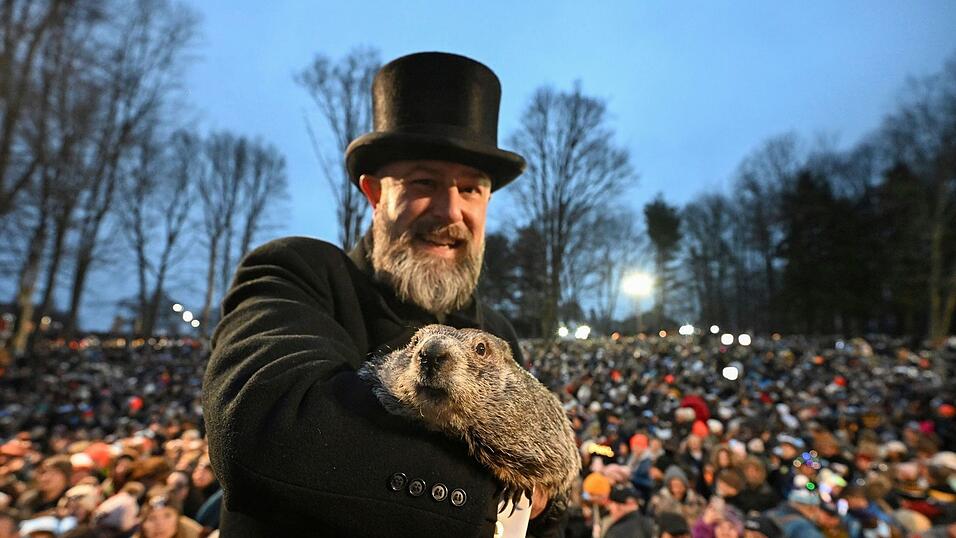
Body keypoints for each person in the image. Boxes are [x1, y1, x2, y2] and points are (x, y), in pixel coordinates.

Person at [202, 51, 562, 537]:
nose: (450, 211)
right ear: (374, 193)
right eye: (424, 182)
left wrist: (549, 498)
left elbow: (542, 484)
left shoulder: (495, 333)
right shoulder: (297, 273)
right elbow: (264, 427)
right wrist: (490, 503)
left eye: (471, 189)